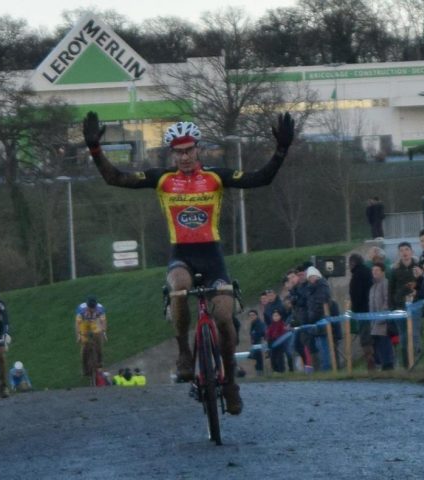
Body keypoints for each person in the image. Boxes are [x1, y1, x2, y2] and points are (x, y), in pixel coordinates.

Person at [82, 110, 295, 415]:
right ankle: (184, 352)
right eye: (178, 152)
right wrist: (95, 150)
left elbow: (261, 178)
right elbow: (116, 178)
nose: (184, 157)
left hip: (212, 258)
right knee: (179, 286)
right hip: (181, 255)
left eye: (188, 150)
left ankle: (231, 384)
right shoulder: (163, 179)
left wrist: (281, 150)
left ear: (198, 148)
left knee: (224, 319)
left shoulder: (215, 177)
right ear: (172, 154)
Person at [389, 242, 418, 368]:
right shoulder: (395, 270)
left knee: (415, 334)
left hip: (415, 305)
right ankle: (406, 364)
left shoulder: (418, 267)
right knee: (403, 336)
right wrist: (392, 307)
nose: (404, 252)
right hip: (399, 306)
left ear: (411, 251)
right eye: (401, 250)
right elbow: (390, 290)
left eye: (407, 249)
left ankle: (415, 361)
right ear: (399, 253)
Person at [348, 253, 375, 371]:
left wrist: (355, 309)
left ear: (353, 263)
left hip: (362, 311)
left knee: (365, 338)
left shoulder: (357, 275)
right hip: (372, 309)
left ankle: (370, 363)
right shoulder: (367, 271)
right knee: (372, 335)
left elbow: (356, 294)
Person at [368, 264, 394, 370]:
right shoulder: (373, 287)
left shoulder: (385, 283)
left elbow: (387, 300)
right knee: (377, 343)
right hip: (374, 321)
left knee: (385, 342)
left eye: (377, 270)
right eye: (373, 270)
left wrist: (382, 316)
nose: (374, 272)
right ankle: (382, 364)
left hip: (383, 320)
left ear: (383, 272)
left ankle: (388, 364)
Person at [75, 295, 107, 376]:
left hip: (94, 322)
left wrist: (103, 332)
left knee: (98, 341)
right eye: (90, 308)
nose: (92, 310)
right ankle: (85, 369)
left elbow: (103, 321)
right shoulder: (81, 309)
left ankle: (99, 363)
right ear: (87, 306)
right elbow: (78, 323)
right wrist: (79, 335)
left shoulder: (100, 309)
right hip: (84, 323)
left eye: (93, 308)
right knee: (84, 345)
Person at [248, 309, 266, 376]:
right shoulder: (253, 324)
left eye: (253, 315)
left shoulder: (259, 323)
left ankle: (261, 374)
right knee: (257, 361)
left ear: (257, 315)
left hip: (259, 344)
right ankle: (259, 374)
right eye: (250, 315)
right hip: (255, 344)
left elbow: (261, 334)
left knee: (259, 360)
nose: (252, 317)